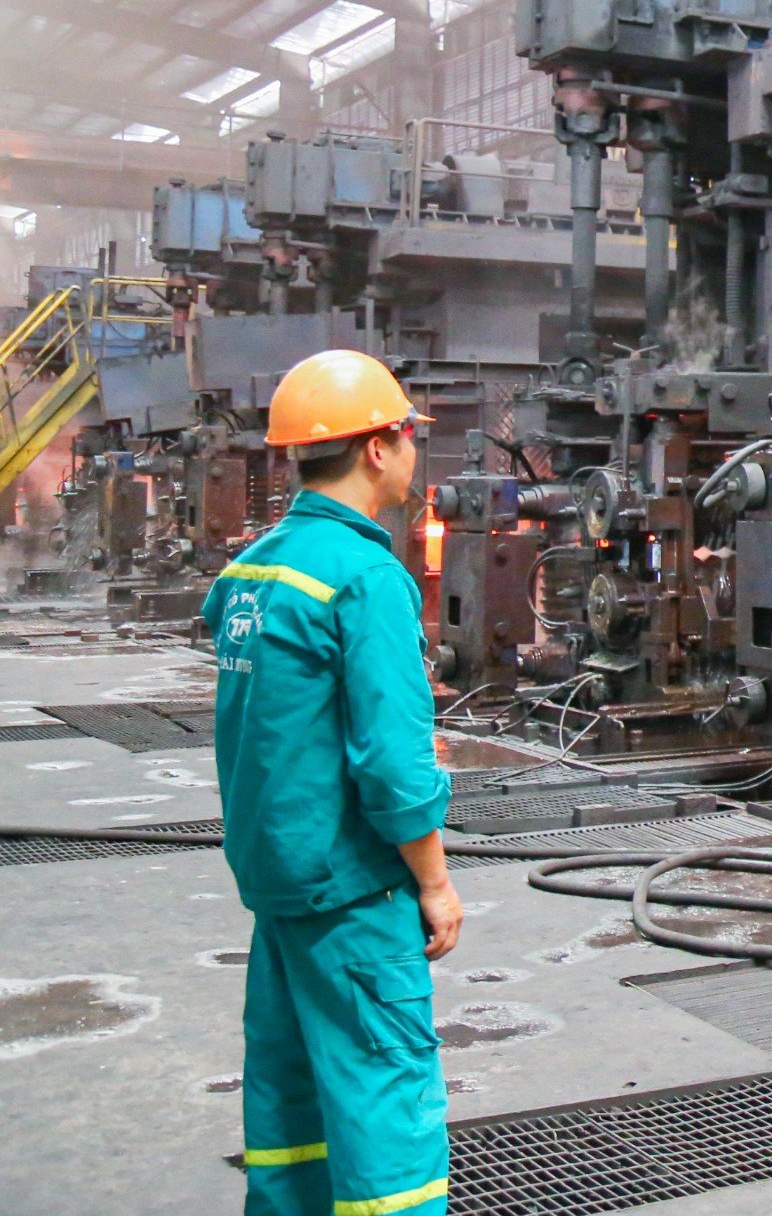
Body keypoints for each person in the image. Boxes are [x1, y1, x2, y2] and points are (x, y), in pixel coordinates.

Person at [208, 349, 458, 1216]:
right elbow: (392, 765)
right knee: (387, 1116)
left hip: (280, 884)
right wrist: (435, 881)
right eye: (410, 436)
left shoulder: (253, 570)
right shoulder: (365, 577)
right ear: (379, 446)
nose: (414, 453)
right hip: (354, 893)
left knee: (293, 1108)